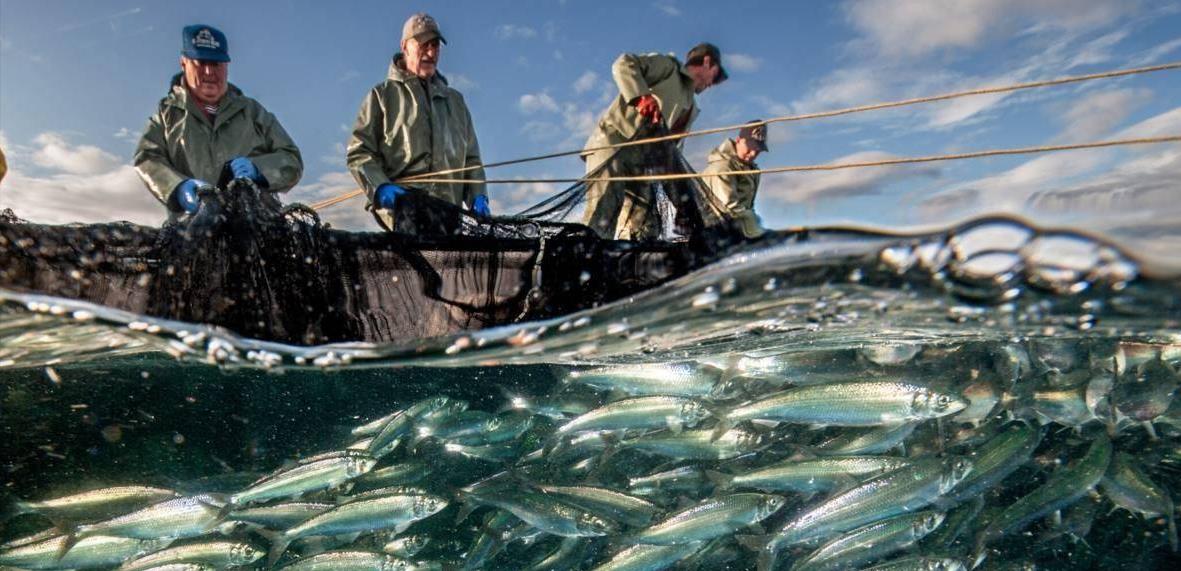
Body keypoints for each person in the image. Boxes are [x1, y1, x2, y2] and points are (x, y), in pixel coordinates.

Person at [134, 25, 303, 217]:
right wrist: (177, 187)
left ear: (226, 66)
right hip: (190, 233)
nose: (209, 72)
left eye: (216, 64)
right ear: (184, 63)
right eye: (201, 62)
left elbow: (291, 159)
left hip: (256, 228)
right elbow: (146, 158)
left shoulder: (253, 111)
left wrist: (260, 169)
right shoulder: (166, 115)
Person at [347, 13, 488, 235]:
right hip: (402, 219)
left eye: (435, 46)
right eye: (424, 45)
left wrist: (478, 194)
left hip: (449, 219)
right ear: (405, 46)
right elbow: (359, 153)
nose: (431, 53)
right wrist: (380, 187)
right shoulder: (381, 97)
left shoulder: (456, 102)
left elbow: (471, 160)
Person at [581, 43, 727, 240]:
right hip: (613, 143)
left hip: (642, 166)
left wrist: (680, 200)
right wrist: (641, 97)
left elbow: (672, 153)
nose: (713, 84)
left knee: (646, 225)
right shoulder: (668, 67)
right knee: (603, 213)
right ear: (707, 62)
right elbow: (624, 63)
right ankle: (583, 264)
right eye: (716, 76)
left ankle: (628, 265)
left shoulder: (691, 108)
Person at [699, 120, 769, 239]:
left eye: (757, 149)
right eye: (750, 147)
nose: (753, 154)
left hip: (739, 228)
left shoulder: (751, 169)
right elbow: (729, 208)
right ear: (738, 140)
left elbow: (747, 206)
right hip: (716, 233)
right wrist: (759, 233)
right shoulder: (722, 168)